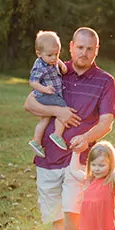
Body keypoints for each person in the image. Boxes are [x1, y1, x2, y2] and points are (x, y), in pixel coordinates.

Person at [24, 27, 115, 230]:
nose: (84, 53)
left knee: (72, 210)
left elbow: (106, 122)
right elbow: (29, 104)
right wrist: (59, 112)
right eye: (80, 47)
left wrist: (86, 138)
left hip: (79, 158)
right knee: (56, 216)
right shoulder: (54, 69)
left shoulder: (105, 80)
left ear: (96, 51)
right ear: (71, 46)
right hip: (49, 155)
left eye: (90, 49)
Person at [28, 30, 69, 158]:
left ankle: (36, 141)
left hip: (50, 93)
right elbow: (33, 82)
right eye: (50, 55)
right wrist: (45, 89)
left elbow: (57, 61)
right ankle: (57, 134)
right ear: (38, 54)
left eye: (56, 54)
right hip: (45, 94)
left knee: (45, 119)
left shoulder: (52, 60)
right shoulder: (39, 66)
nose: (54, 58)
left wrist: (61, 64)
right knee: (63, 109)